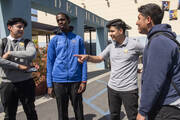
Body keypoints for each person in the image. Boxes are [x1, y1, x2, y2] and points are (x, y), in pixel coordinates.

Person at [75, 19, 144, 120]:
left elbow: (150, 54)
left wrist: (143, 68)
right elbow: (99, 58)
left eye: (112, 31)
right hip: (112, 88)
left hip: (129, 90)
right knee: (114, 116)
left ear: (120, 31)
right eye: (109, 32)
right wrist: (88, 57)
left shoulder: (134, 44)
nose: (110, 34)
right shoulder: (111, 46)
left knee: (132, 117)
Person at [136, 3, 180, 120]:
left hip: (166, 108)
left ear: (148, 20)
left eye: (139, 18)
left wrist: (143, 111)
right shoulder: (163, 38)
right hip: (168, 105)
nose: (136, 22)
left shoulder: (158, 42)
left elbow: (153, 80)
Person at [46, 12, 87, 120]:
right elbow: (49, 62)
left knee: (78, 109)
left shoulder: (78, 39)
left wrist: (83, 81)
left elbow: (84, 60)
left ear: (68, 21)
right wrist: (49, 85)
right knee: (62, 111)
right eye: (58, 20)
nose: (60, 22)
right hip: (58, 81)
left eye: (62, 19)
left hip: (75, 80)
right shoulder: (54, 40)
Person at [0, 18, 38, 120]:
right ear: (10, 28)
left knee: (30, 111)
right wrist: (19, 66)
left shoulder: (27, 42)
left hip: (26, 82)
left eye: (23, 27)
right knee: (9, 114)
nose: (21, 29)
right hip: (8, 84)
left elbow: (31, 54)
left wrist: (9, 53)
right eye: (19, 27)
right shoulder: (3, 42)